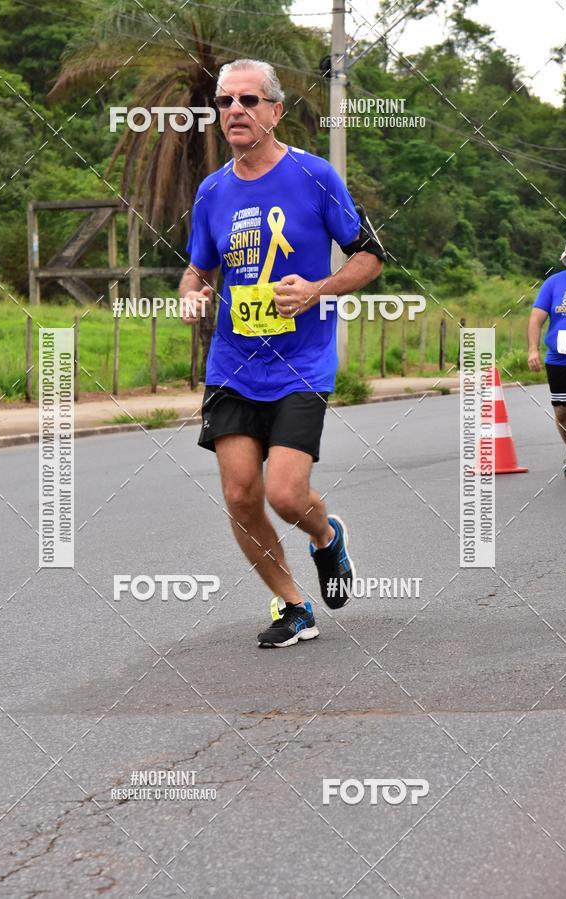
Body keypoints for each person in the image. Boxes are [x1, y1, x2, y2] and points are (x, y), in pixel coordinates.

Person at [179, 58, 385, 647]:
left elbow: (369, 255)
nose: (235, 111)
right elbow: (197, 269)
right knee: (241, 494)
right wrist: (193, 296)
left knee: (285, 494)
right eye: (225, 102)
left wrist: (318, 288)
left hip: (302, 361)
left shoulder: (315, 176)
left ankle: (326, 538)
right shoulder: (213, 190)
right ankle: (293, 605)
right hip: (232, 365)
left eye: (248, 100)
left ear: (276, 110)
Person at [528, 248, 566, 477]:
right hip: (559, 360)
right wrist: (533, 349)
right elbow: (536, 319)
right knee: (562, 412)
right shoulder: (554, 283)